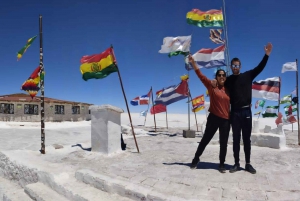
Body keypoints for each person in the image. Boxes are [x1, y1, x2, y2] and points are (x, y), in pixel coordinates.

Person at [215, 43, 273, 174]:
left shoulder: (248, 75)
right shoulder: (228, 80)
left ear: (240, 66)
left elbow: (260, 68)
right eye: (233, 66)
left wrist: (267, 55)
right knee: (236, 139)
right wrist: (214, 82)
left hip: (246, 111)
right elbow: (220, 83)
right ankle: (236, 163)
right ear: (231, 67)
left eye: (237, 65)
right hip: (234, 112)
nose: (235, 67)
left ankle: (247, 163)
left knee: (246, 138)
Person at [188, 54, 230, 173]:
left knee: (224, 143)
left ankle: (221, 164)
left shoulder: (228, 89)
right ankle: (196, 159)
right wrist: (193, 62)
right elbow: (200, 75)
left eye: (223, 75)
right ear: (216, 77)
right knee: (205, 139)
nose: (222, 76)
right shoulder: (212, 87)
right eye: (219, 75)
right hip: (213, 118)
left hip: (226, 120)